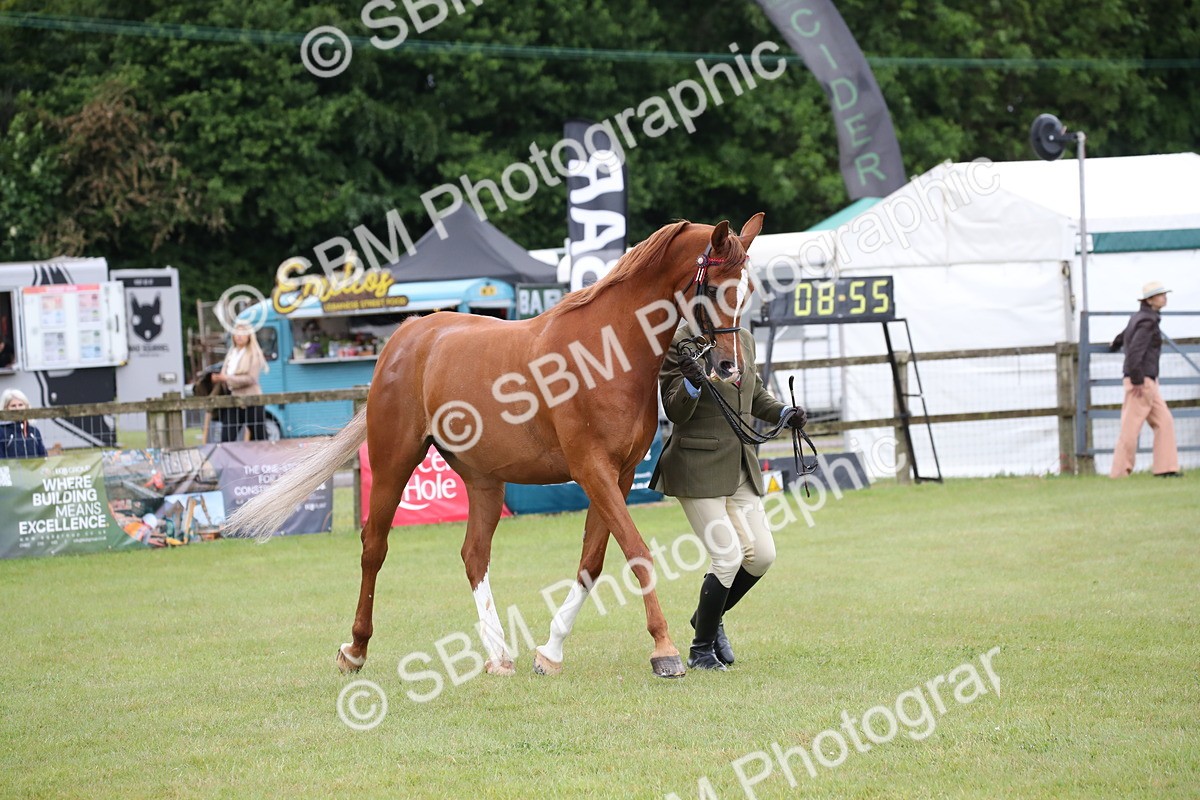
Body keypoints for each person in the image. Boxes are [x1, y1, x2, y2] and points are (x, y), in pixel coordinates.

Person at [652, 321, 806, 670]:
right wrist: (692, 381)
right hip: (695, 465)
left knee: (762, 555)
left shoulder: (744, 339)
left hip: (739, 465)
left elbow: (755, 395)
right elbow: (675, 410)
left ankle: (705, 617)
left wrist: (785, 413)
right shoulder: (678, 340)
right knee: (728, 556)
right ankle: (701, 650)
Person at [1109, 281, 1180, 478]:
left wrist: (1114, 343)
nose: (1165, 297)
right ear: (1150, 300)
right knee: (1130, 428)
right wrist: (1137, 379)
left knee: (1165, 421)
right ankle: (1119, 471)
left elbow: (1124, 336)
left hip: (1147, 380)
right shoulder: (1147, 321)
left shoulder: (1140, 318)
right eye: (1161, 295)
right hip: (1140, 381)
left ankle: (1166, 468)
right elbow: (1135, 351)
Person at [212, 321, 268, 442]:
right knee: (226, 438)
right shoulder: (231, 353)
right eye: (236, 333)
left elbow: (251, 378)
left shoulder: (254, 354)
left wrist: (227, 378)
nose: (239, 336)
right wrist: (219, 379)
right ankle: (227, 461)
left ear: (249, 335)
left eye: (242, 333)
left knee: (260, 437)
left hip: (252, 401)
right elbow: (225, 375)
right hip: (233, 400)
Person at [0, 388, 48, 459]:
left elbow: (43, 456)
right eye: (13, 406)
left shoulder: (34, 431)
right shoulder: (2, 431)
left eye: (20, 405)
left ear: (26, 406)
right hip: (11, 470)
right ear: (5, 408)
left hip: (34, 469)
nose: (17, 408)